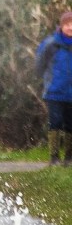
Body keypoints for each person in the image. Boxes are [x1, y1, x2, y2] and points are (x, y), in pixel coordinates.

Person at [35, 10, 72, 166]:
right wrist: (46, 80)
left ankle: (68, 159)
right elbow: (39, 65)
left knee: (70, 124)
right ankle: (54, 158)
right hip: (54, 92)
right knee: (55, 122)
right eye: (67, 24)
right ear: (61, 25)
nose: (70, 27)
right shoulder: (51, 44)